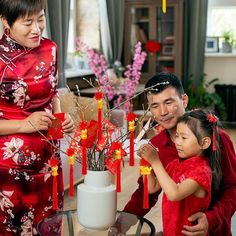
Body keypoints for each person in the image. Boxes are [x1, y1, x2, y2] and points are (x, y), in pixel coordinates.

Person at [123, 72, 236, 235]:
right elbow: (146, 192)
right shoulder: (156, 146)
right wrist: (122, 222)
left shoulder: (217, 138)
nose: (162, 112)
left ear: (184, 100)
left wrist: (211, 218)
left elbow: (232, 187)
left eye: (168, 102)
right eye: (155, 106)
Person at [0, 0, 74, 234]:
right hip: (10, 167)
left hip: (48, 159)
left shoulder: (50, 48)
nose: (37, 29)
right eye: (28, 22)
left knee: (49, 225)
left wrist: (61, 118)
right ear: (6, 22)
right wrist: (24, 123)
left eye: (40, 19)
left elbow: (52, 93)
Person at [139, 109, 222, 235]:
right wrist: (146, 162)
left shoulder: (202, 171)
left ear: (204, 143)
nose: (177, 141)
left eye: (184, 137)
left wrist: (155, 161)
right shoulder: (175, 164)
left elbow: (174, 194)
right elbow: (152, 187)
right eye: (177, 136)